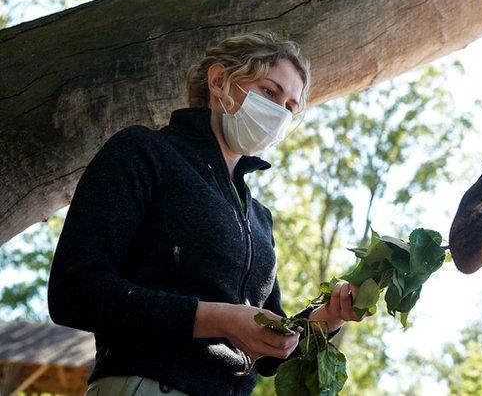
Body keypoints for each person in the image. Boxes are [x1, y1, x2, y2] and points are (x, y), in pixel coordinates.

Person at [48, 31, 361, 395]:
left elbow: (272, 351)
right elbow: (74, 292)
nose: (278, 113)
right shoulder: (144, 152)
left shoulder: (258, 218)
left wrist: (330, 316)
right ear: (219, 82)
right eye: (269, 92)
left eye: (290, 107)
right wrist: (218, 320)